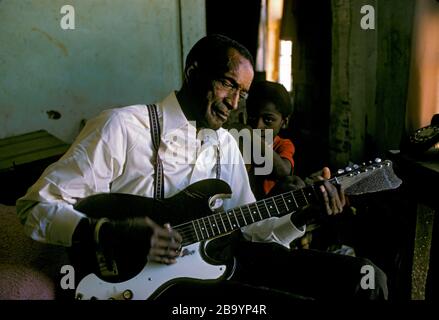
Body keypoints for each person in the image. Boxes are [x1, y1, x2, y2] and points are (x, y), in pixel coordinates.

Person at [16, 34, 387, 301]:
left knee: (363, 278)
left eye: (242, 93)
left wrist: (304, 214)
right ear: (193, 72)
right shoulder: (122, 127)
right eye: (228, 85)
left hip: (217, 263)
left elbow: (253, 229)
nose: (234, 104)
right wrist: (111, 232)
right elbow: (34, 208)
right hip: (139, 284)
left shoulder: (227, 143)